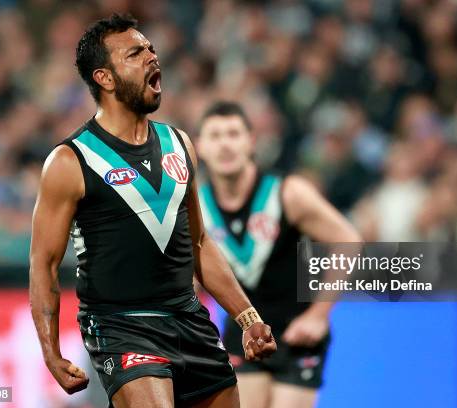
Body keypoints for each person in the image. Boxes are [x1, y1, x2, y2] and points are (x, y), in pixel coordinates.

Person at [29, 15, 276, 408]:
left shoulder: (179, 143)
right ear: (105, 78)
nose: (151, 57)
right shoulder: (69, 161)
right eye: (135, 53)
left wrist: (247, 317)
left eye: (150, 49)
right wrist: (51, 352)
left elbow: (197, 242)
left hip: (190, 322)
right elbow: (44, 263)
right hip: (121, 328)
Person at [196, 102, 361, 408]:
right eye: (215, 136)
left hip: (297, 336)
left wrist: (318, 315)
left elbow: (348, 240)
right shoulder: (195, 207)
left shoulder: (288, 193)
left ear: (251, 141)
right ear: (200, 147)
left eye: (233, 133)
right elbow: (190, 277)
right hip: (243, 335)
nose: (225, 144)